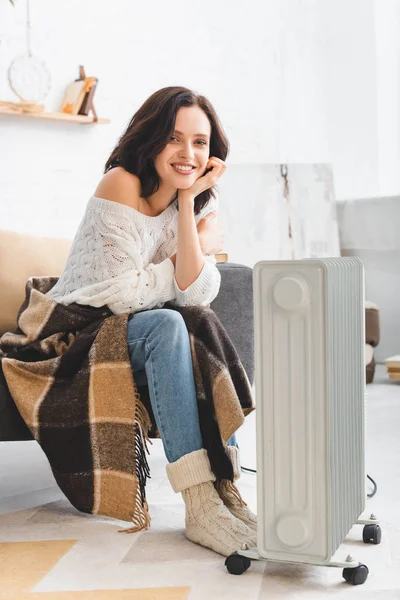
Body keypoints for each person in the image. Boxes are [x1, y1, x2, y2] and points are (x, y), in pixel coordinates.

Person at [46, 86, 256, 556]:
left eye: (200, 142)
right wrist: (191, 249)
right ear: (152, 138)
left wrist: (186, 205)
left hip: (130, 338)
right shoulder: (120, 183)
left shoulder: (197, 201)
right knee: (167, 323)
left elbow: (197, 294)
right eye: (175, 138)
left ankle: (226, 490)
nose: (188, 153)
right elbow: (122, 296)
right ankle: (198, 501)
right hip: (73, 335)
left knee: (195, 322)